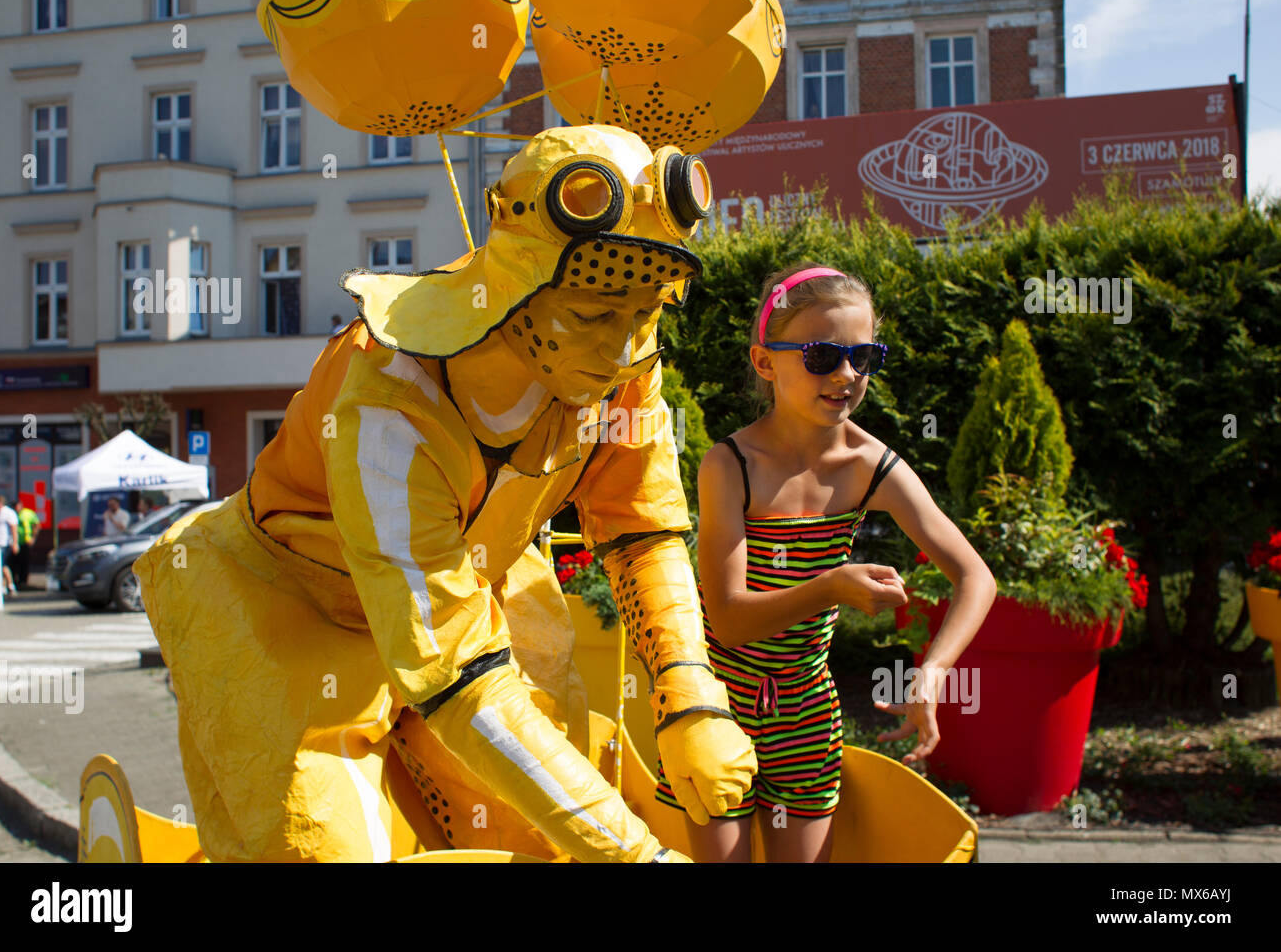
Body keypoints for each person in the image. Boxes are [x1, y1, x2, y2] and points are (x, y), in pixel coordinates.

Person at [133, 125, 757, 863]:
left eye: (644, 313)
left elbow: (638, 527)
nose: (622, 349)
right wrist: (637, 856)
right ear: (520, 287)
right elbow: (459, 676)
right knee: (317, 851)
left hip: (465, 586)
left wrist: (687, 696)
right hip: (285, 598)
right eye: (592, 315)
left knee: (533, 840)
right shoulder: (391, 391)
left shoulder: (624, 359)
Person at [654, 264, 996, 862]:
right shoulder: (730, 465)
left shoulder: (870, 464)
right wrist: (833, 585)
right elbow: (730, 619)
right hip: (717, 707)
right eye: (822, 356)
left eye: (864, 356)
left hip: (807, 715)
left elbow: (975, 577)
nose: (847, 375)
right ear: (766, 363)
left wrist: (932, 673)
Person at [0, 494, 20, 597]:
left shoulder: (8, 513)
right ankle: (3, 586)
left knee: (2, 565)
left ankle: (10, 586)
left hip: (4, 543)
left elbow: (14, 529)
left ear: (0, 502)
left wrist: (15, 543)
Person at [14, 498, 41, 589]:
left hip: (26, 542)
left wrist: (33, 538)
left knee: (25, 562)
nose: (16, 508)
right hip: (16, 542)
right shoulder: (13, 514)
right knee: (15, 562)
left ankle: (23, 581)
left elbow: (37, 525)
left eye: (17, 505)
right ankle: (16, 581)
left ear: (21, 505)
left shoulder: (28, 513)